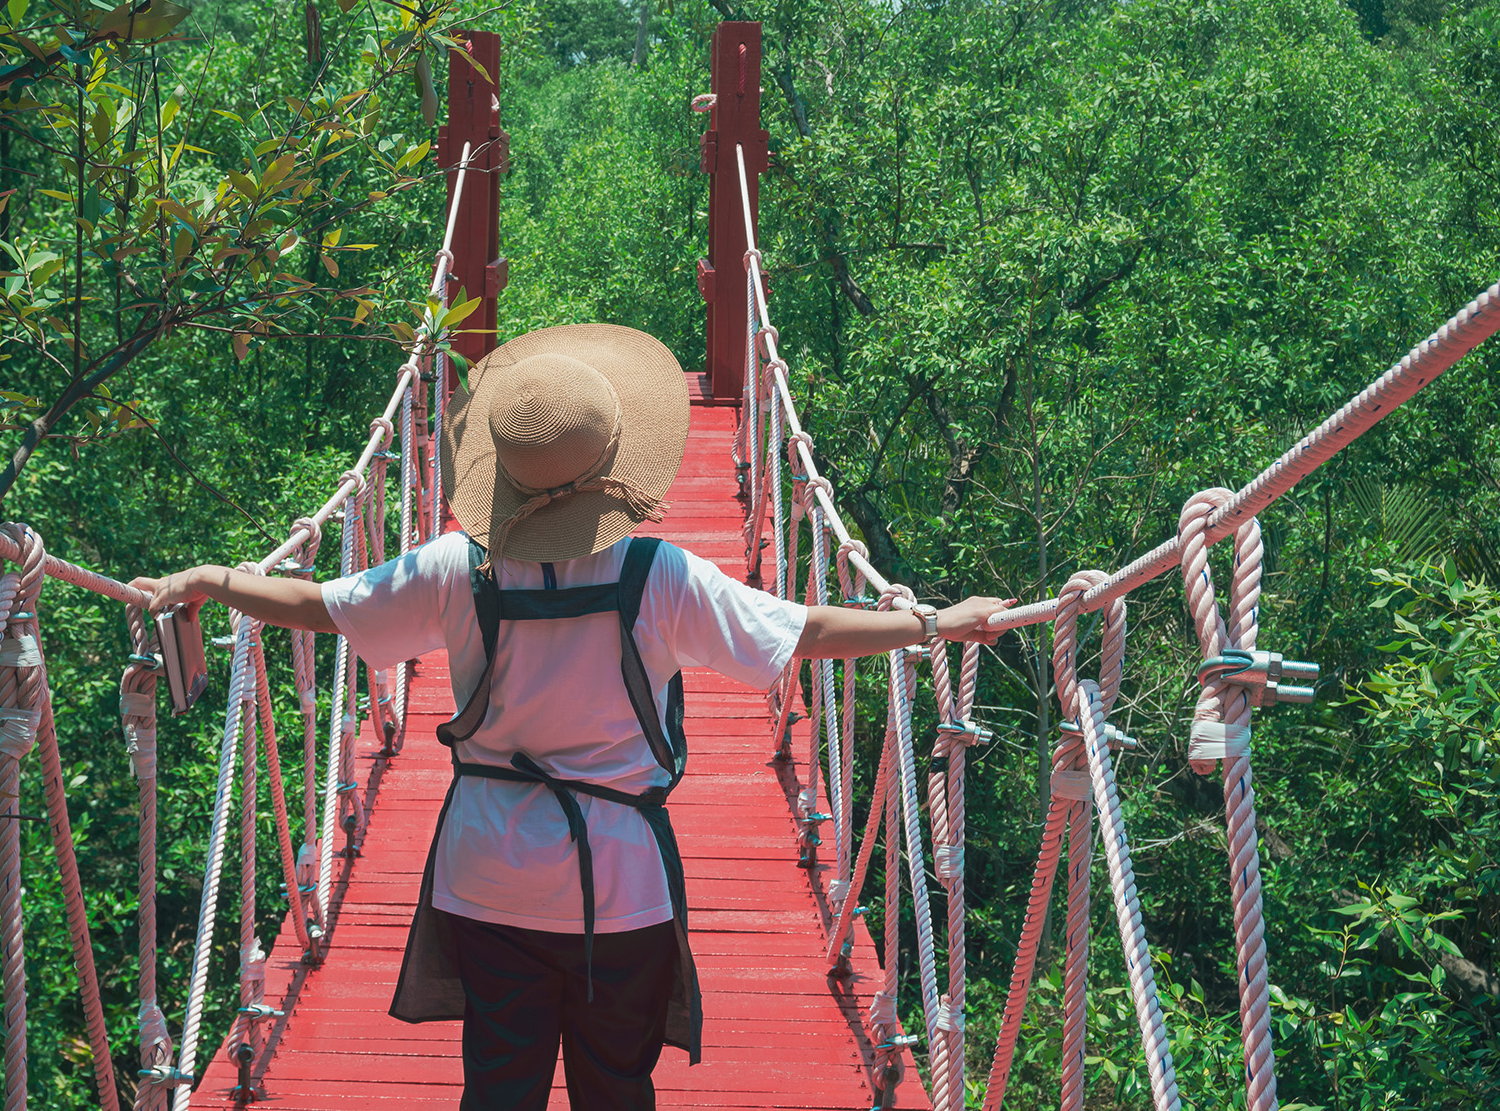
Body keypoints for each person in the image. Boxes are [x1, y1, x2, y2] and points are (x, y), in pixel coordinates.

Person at [132, 323, 1007, 1111]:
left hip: (482, 871)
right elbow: (801, 632)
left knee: (499, 1088)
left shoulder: (455, 565)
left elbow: (319, 606)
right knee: (615, 1087)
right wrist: (931, 623)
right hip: (617, 884)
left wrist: (213, 581)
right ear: (615, 463)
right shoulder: (658, 574)